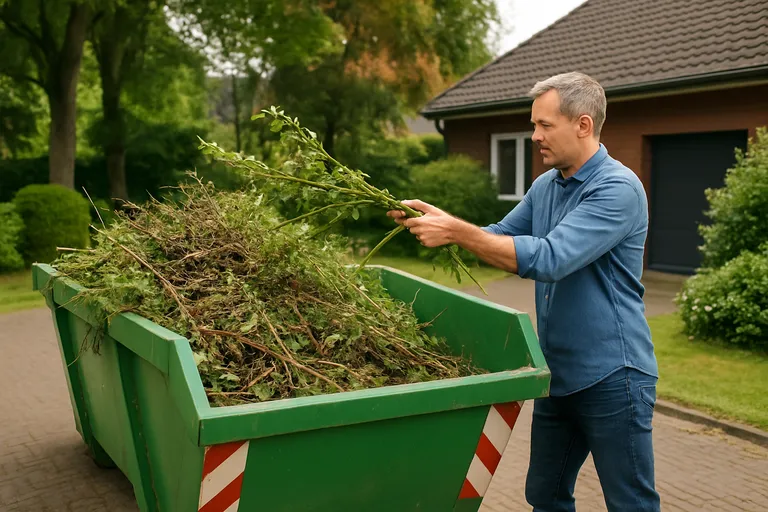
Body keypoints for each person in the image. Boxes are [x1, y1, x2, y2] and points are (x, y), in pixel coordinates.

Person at [387, 72, 660, 512]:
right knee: (545, 496)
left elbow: (549, 259)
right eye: (534, 125)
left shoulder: (618, 189)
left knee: (630, 503)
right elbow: (496, 236)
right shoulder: (546, 185)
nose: (534, 137)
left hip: (615, 376)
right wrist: (443, 223)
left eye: (544, 126)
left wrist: (458, 231)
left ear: (583, 125)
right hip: (559, 374)